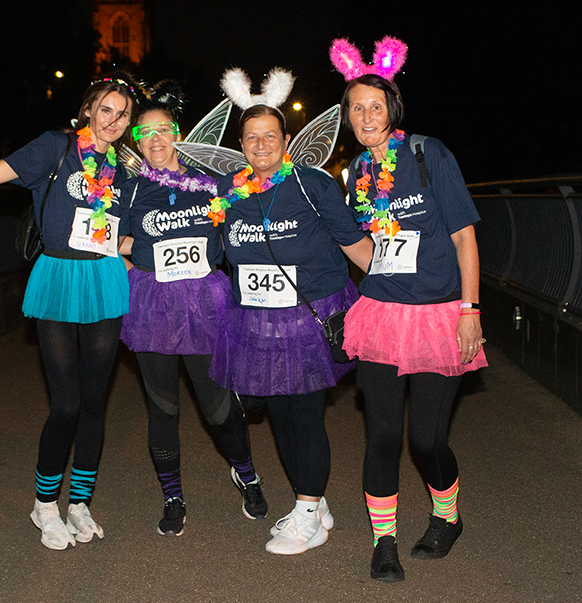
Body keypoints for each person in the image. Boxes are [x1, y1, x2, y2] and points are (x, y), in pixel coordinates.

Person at [0, 75, 137, 550]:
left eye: (123, 115)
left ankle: (79, 502)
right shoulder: (55, 148)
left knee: (92, 402)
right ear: (88, 109)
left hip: (104, 280)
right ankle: (45, 505)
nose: (114, 121)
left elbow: (119, 237)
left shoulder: (124, 172)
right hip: (59, 279)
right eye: (107, 109)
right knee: (64, 404)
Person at [330, 37, 488, 582]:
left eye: (375, 105)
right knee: (380, 434)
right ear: (347, 118)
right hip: (381, 313)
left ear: (392, 110)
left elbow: (465, 237)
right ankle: (384, 540)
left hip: (439, 315)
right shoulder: (354, 176)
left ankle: (448, 515)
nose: (366, 115)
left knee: (426, 437)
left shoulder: (427, 154)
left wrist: (470, 308)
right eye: (356, 108)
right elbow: (367, 252)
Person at [202, 68, 373, 555]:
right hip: (257, 319)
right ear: (241, 143)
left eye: (269, 136)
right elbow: (212, 250)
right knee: (278, 413)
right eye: (251, 137)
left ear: (287, 139)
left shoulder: (312, 184)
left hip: (310, 315)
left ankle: (307, 508)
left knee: (305, 412)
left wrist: (405, 285)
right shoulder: (229, 196)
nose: (260, 144)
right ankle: (313, 507)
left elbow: (355, 244)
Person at [116, 81, 267, 537]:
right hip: (153, 309)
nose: (155, 140)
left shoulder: (212, 185)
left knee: (218, 408)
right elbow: (104, 243)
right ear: (136, 142)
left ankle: (246, 471)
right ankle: (173, 495)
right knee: (163, 408)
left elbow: (260, 217)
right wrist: (132, 268)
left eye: (163, 130)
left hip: (206, 306)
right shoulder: (129, 192)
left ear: (178, 134)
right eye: (145, 134)